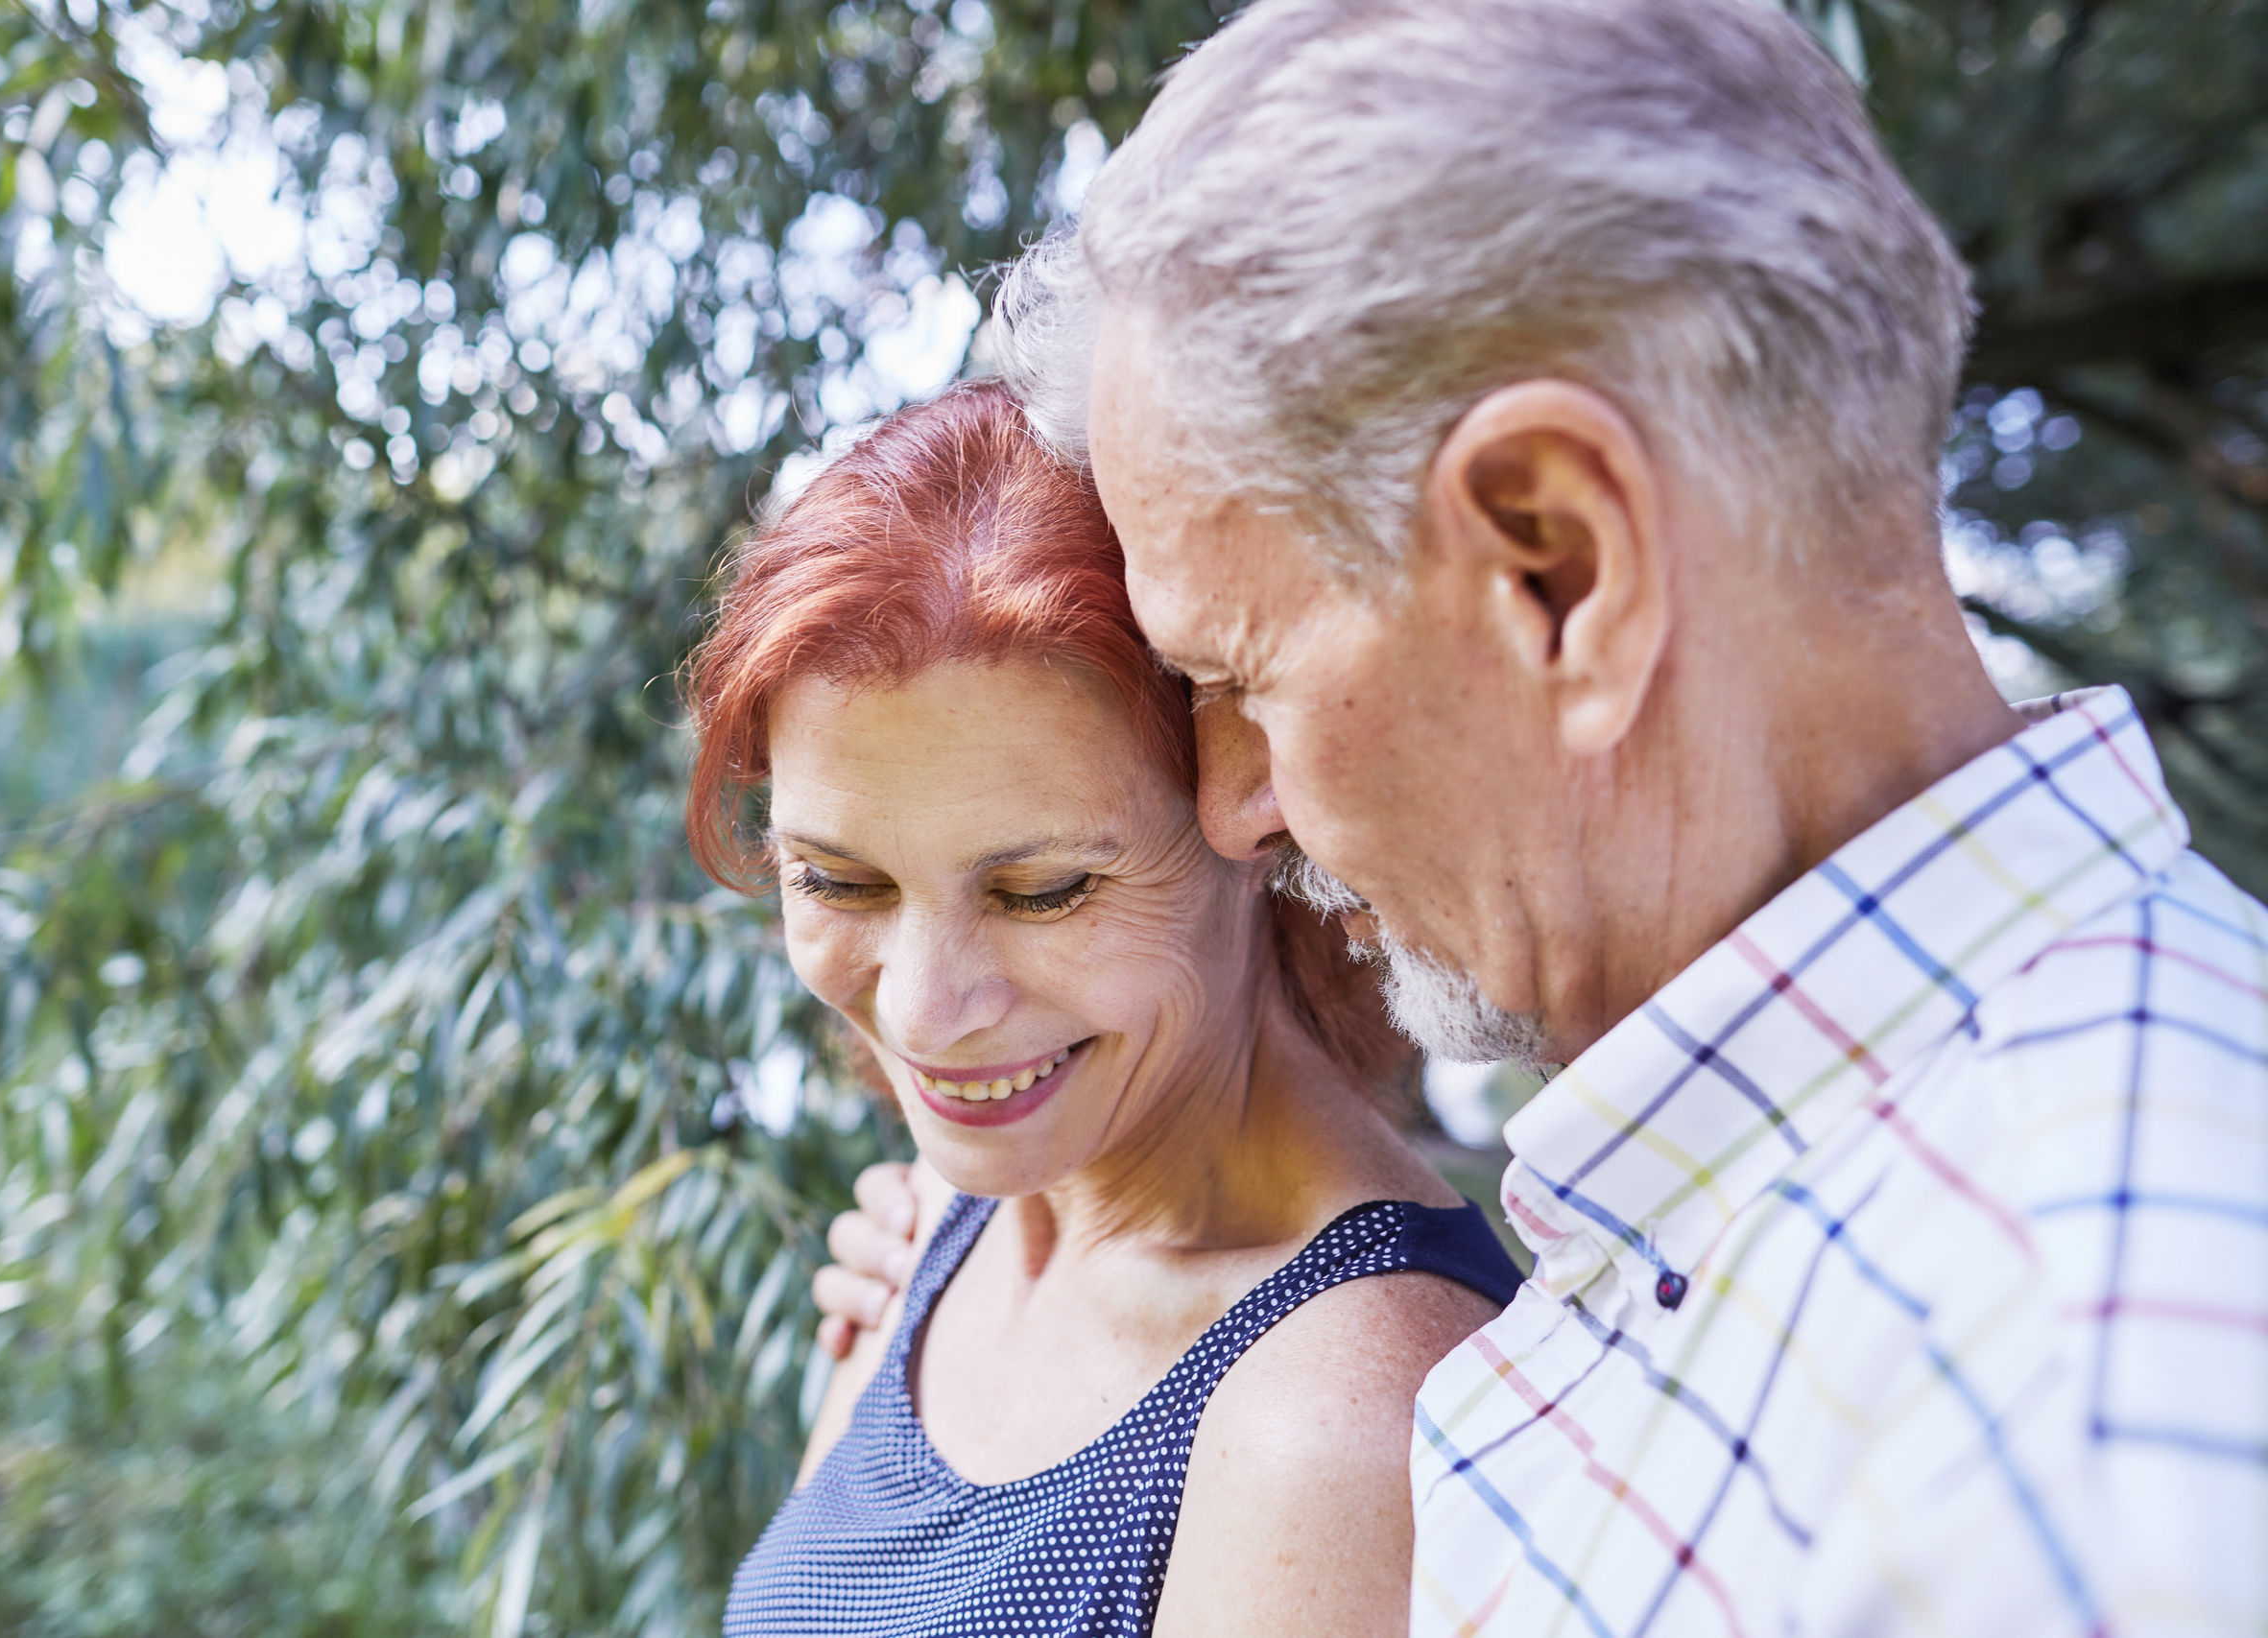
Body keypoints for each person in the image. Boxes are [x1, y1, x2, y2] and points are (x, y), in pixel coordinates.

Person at [812, 0, 2268, 1632]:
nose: (1230, 815)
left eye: (1248, 680)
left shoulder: (2086, 1437)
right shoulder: (1752, 1241)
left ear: (1560, 571)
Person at [685, 376, 1524, 1637]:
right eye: (838, 879)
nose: (925, 1013)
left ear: (1252, 819)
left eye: (1045, 891)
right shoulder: (941, 1229)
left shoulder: (1337, 1425)